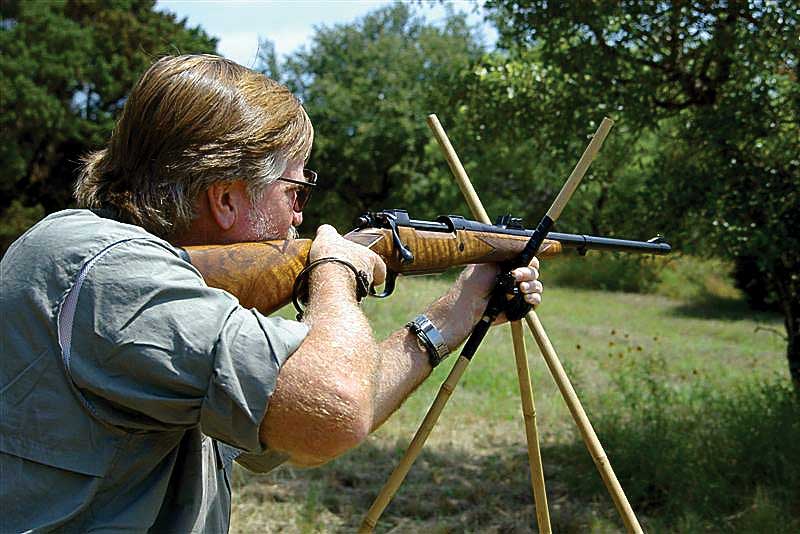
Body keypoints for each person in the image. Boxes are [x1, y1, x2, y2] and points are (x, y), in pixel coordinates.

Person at [0, 54, 543, 532]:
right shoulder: (111, 273)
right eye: (296, 188)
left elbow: (290, 424)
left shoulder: (114, 262)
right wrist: (334, 274)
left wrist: (459, 310)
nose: (301, 213)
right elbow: (331, 414)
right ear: (227, 199)